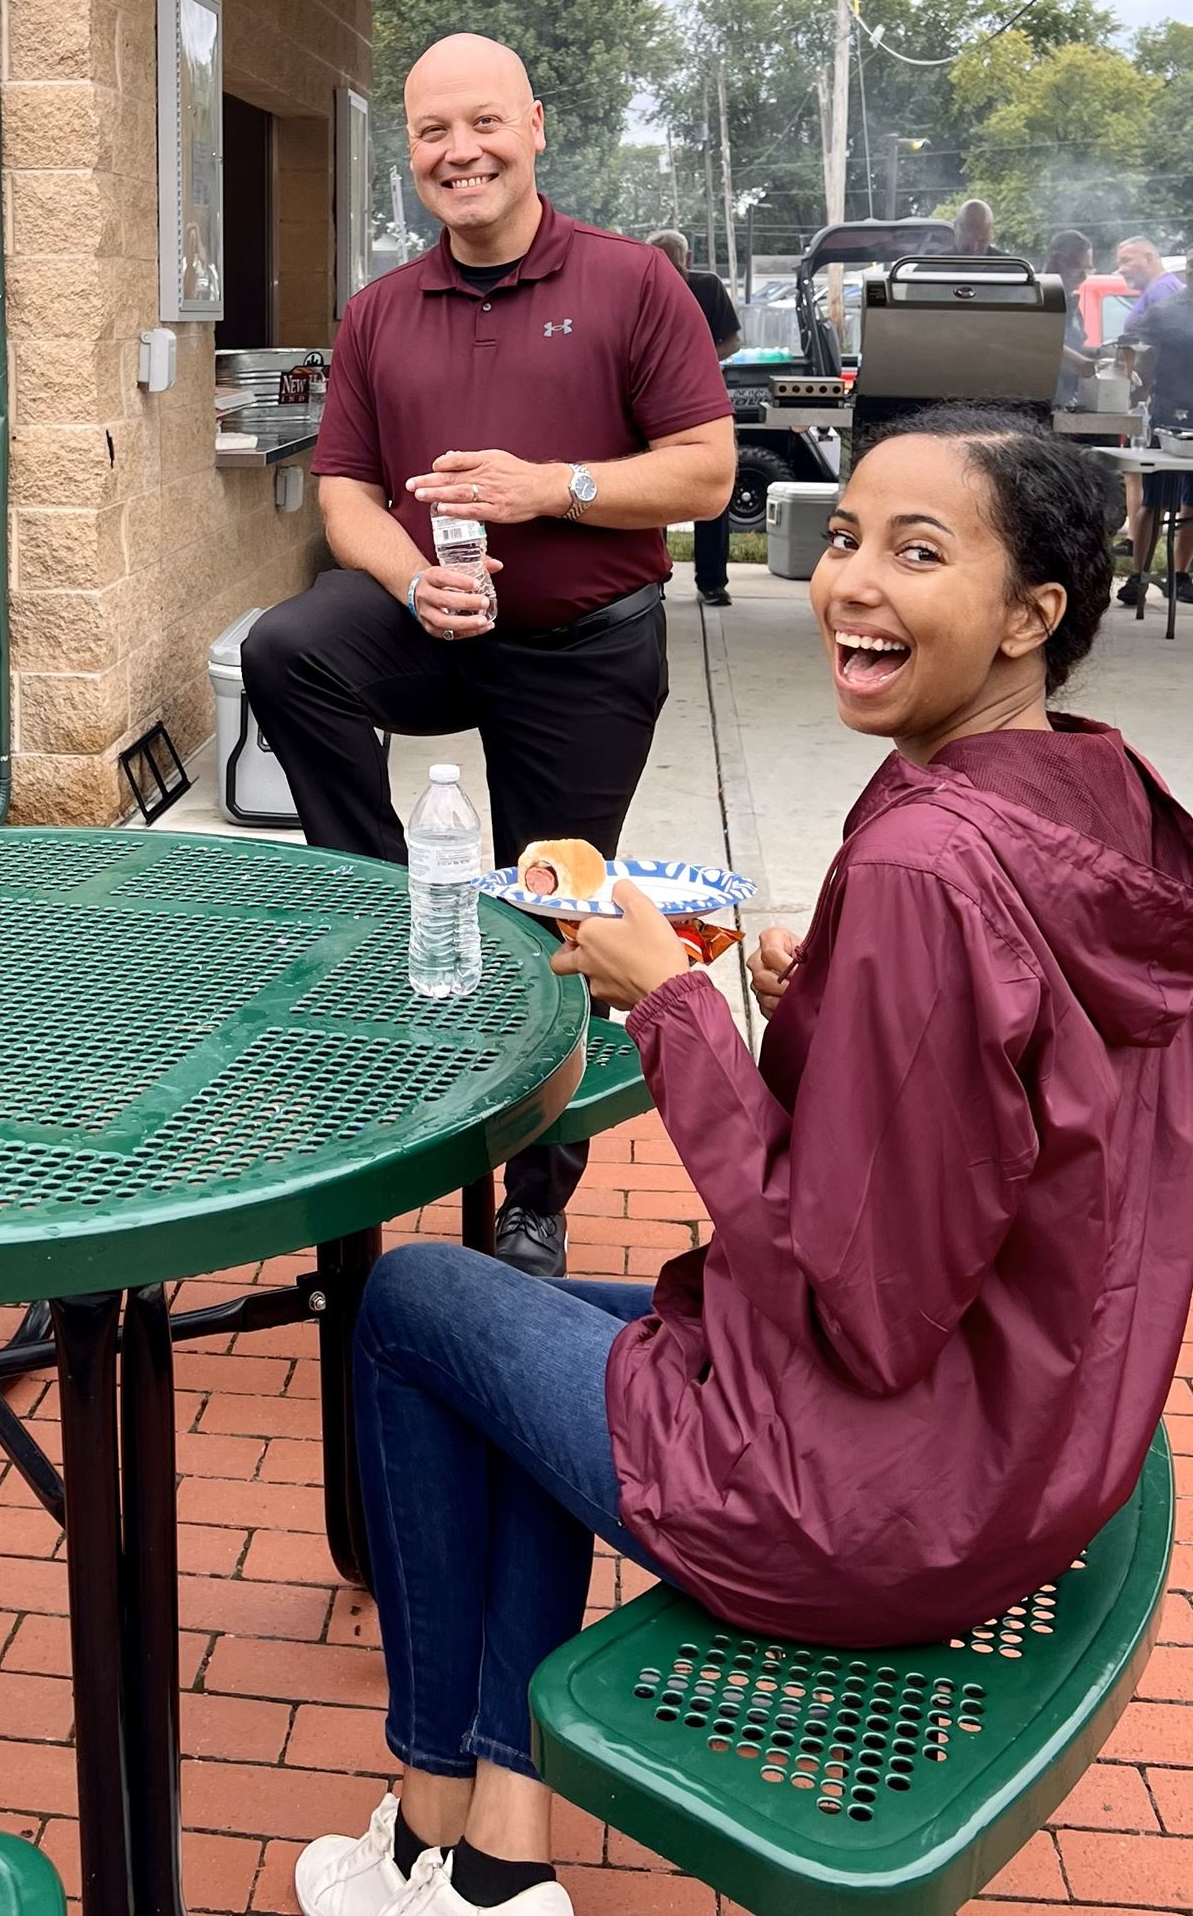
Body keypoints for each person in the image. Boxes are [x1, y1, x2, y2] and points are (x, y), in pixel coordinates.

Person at [294, 411, 1193, 1916]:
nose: (852, 582)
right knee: (519, 1348)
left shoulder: (921, 861)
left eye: (918, 552)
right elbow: (1010, 1095)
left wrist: (673, 1004)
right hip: (1026, 1437)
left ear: (1034, 615)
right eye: (842, 538)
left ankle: (424, 1813)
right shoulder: (1093, 794)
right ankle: (489, 1863)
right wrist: (833, 986)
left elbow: (867, 1301)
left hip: (878, 1497)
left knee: (415, 1311)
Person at [243, 34, 734, 1281]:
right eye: (430, 133)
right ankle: (392, 905)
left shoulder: (631, 285)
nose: (458, 152)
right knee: (289, 646)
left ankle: (537, 1192)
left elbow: (707, 472)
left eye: (482, 124)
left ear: (535, 126)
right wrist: (412, 578)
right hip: (437, 624)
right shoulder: (380, 311)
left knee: (557, 895)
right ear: (410, 152)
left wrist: (550, 487)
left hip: (583, 648)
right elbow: (343, 492)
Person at [647, 231, 740, 606]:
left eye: (675, 257)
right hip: (649, 399)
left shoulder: (708, 286)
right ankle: (655, 577)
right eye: (662, 256)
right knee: (652, 492)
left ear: (688, 256)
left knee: (710, 490)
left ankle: (712, 582)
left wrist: (697, 362)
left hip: (703, 400)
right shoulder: (640, 284)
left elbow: (732, 341)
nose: (671, 263)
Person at [1112, 239, 1186, 606]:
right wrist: (1136, 395)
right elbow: (1143, 357)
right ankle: (1139, 577)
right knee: (1154, 498)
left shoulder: (1167, 296)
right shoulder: (1169, 306)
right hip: (1167, 417)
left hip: (1177, 414)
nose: (1122, 268)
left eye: (1127, 260)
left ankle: (1178, 575)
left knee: (1189, 503)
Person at [1043, 227, 1094, 410]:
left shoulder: (1072, 302)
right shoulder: (1037, 299)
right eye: (1077, 268)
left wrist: (1105, 357)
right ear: (1057, 261)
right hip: (1041, 405)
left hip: (1066, 402)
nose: (1083, 277)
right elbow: (1041, 345)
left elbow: (1077, 346)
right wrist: (1086, 366)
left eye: (1087, 270)